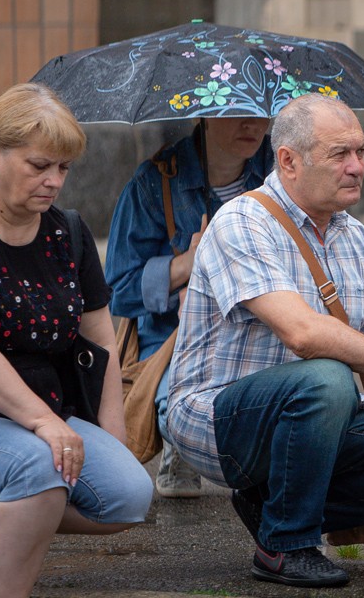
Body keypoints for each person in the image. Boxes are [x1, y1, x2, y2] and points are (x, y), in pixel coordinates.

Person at [164, 93, 364, 588]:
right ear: (289, 161)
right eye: (339, 154)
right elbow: (302, 335)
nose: (356, 167)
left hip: (318, 420)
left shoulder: (359, 239)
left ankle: (271, 502)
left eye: (361, 152)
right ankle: (284, 545)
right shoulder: (242, 221)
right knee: (325, 378)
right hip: (217, 420)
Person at [0, 84, 153, 597]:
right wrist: (45, 425)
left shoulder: (67, 232)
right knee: (38, 470)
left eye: (64, 169)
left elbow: (102, 343)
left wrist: (112, 435)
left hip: (47, 413)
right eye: (39, 166)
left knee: (128, 495)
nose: (54, 182)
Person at [105, 117, 273, 498]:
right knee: (182, 414)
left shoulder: (283, 174)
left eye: (261, 109)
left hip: (260, 332)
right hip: (175, 341)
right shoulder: (156, 182)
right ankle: (181, 444)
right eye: (236, 110)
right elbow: (119, 290)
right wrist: (185, 266)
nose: (253, 124)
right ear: (206, 114)